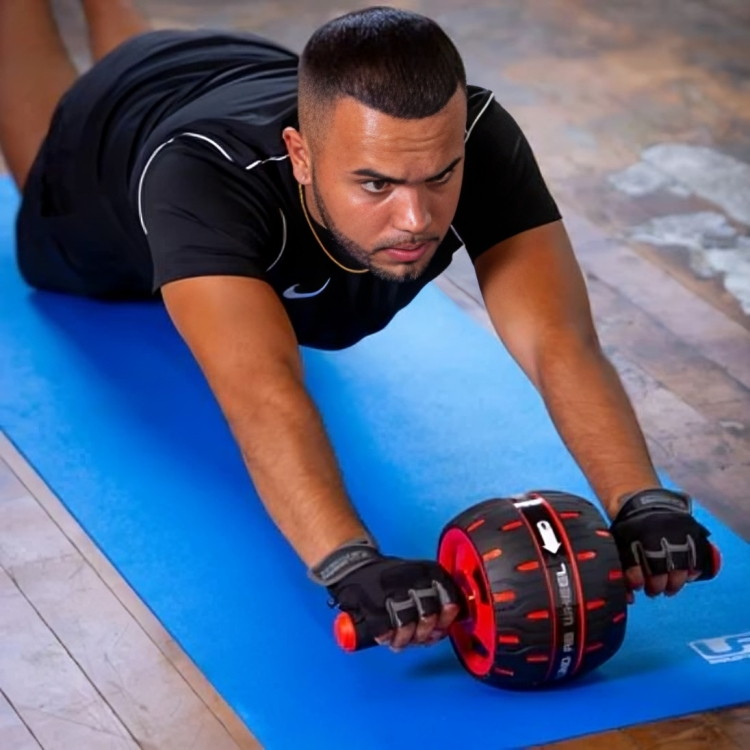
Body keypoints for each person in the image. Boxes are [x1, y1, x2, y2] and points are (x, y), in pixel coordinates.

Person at [0, 1, 717, 653]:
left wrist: (642, 500)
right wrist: (350, 563)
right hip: (113, 144)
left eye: (440, 178)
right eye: (376, 184)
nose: (416, 220)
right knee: (48, 120)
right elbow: (261, 390)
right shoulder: (199, 180)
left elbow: (558, 338)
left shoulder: (472, 134)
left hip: (231, 66)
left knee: (144, 57)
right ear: (303, 156)